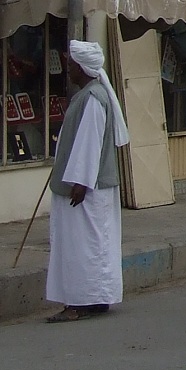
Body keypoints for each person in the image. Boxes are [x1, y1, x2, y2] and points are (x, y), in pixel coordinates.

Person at [45, 40, 130, 323]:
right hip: (85, 187)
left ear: (81, 68)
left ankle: (80, 303)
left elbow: (89, 144)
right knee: (93, 244)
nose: (68, 70)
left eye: (70, 65)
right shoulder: (89, 94)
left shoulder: (93, 97)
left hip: (84, 190)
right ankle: (95, 298)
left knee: (82, 246)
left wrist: (80, 183)